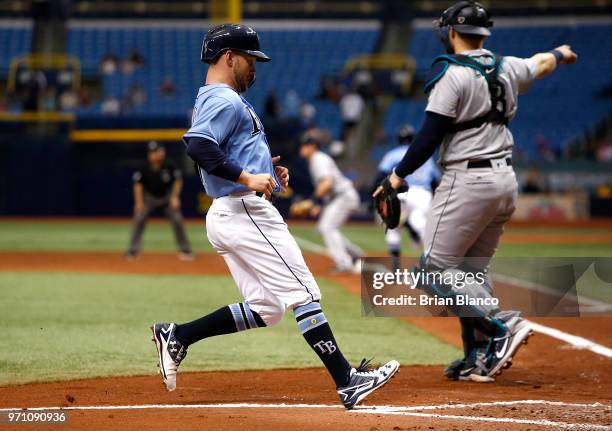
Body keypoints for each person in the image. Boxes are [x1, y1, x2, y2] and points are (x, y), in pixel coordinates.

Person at [150, 24, 398, 409]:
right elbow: (197, 145)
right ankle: (347, 380)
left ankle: (178, 335)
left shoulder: (219, 98)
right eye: (250, 59)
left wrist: (263, 165)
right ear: (229, 57)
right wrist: (248, 175)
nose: (254, 67)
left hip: (229, 211)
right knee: (304, 292)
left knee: (266, 310)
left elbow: (221, 148)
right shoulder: (225, 100)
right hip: (244, 209)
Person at [374, 1, 577, 382]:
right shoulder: (508, 66)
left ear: (451, 32)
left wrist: (397, 177)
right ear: (485, 34)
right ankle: (477, 357)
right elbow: (542, 63)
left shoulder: (453, 74)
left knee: (433, 269)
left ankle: (504, 327)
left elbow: (430, 135)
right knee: (469, 271)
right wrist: (560, 53)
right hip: (504, 183)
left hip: (468, 180)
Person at [374, 124, 440, 269]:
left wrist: (374, 196)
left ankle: (395, 267)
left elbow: (381, 175)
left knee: (393, 227)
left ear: (398, 139)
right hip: (423, 195)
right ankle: (434, 262)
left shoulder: (392, 154)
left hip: (402, 194)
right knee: (421, 224)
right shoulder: (425, 156)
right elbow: (435, 180)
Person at [299, 130, 363, 274]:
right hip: (340, 196)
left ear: (312, 147)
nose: (301, 149)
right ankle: (355, 253)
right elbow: (326, 186)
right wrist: (318, 204)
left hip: (343, 196)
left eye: (304, 146)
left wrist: (313, 201)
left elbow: (327, 184)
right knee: (327, 227)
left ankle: (344, 264)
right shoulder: (317, 159)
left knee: (327, 227)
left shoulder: (318, 159)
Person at [125, 141, 194, 260]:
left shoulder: (169, 165)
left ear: (162, 152)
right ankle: (132, 251)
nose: (154, 155)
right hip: (149, 198)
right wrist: (139, 203)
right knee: (139, 218)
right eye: (151, 152)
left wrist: (174, 197)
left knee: (177, 219)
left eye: (156, 152)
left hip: (166, 198)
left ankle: (185, 250)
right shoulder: (144, 167)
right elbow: (138, 185)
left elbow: (178, 180)